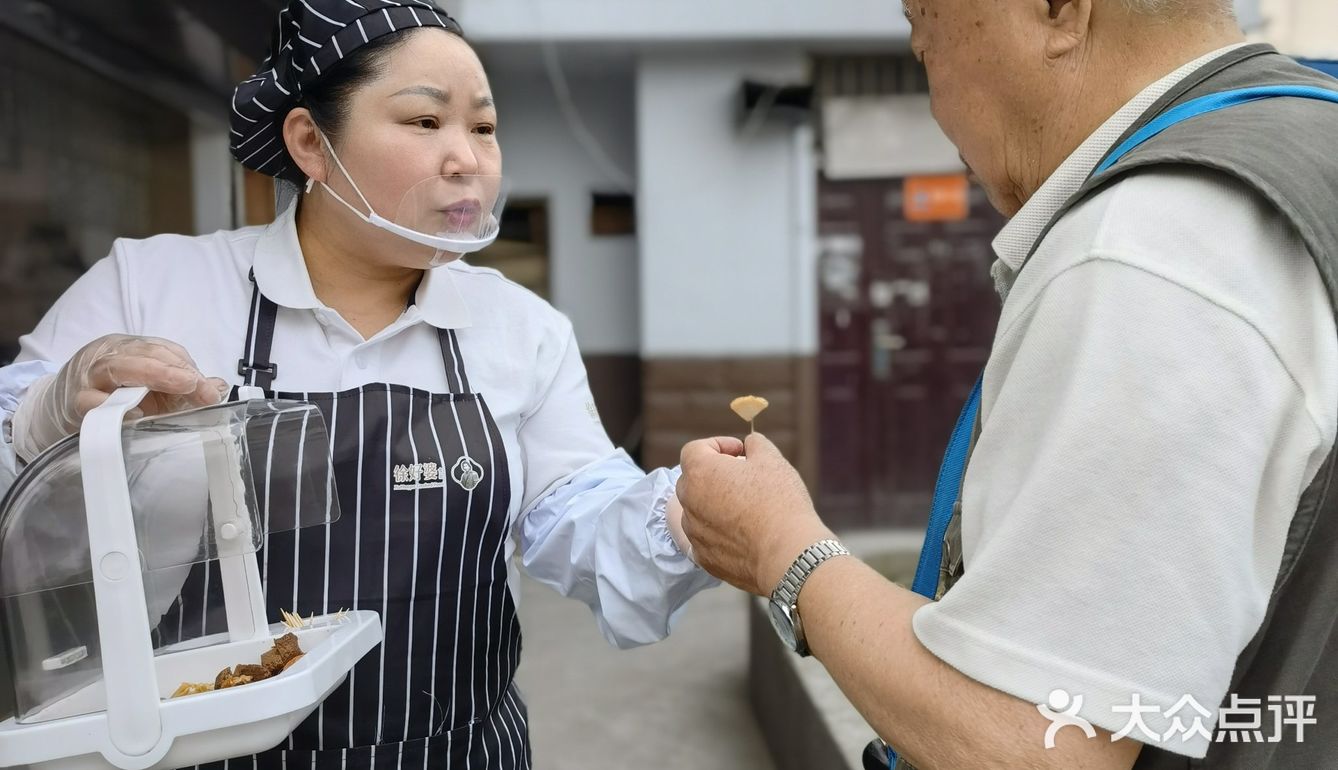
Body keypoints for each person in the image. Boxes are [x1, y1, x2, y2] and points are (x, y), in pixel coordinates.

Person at [0, 2, 714, 767]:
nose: (467, 158)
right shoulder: (152, 287)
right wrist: (51, 419)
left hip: (458, 751)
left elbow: (581, 514)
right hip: (195, 751)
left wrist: (684, 518)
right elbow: (18, 474)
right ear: (310, 142)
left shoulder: (520, 328)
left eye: (482, 127)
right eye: (423, 122)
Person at [677, 1, 1338, 768]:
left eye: (927, 47)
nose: (937, 109)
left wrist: (780, 549)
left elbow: (1034, 745)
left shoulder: (1147, 249)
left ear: (1059, 10)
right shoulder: (1309, 146)